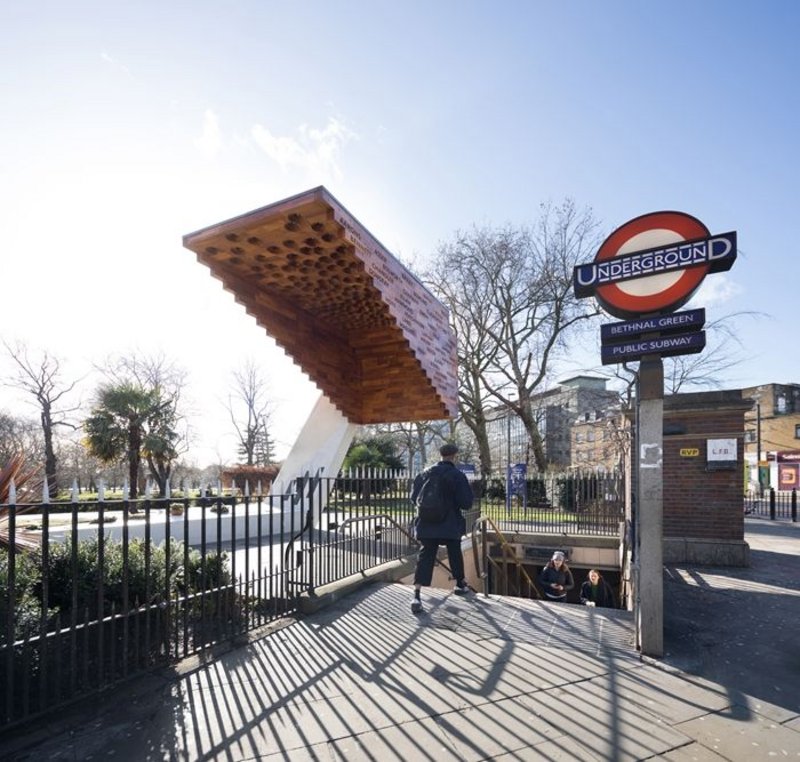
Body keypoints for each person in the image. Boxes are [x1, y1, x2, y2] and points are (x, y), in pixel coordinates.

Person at [409, 442, 474, 613]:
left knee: (426, 556)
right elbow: (466, 503)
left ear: (440, 455)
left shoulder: (424, 473)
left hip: (426, 523)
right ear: (455, 456)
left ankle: (416, 594)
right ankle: (460, 583)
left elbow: (413, 498)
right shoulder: (457, 475)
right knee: (454, 551)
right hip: (449, 524)